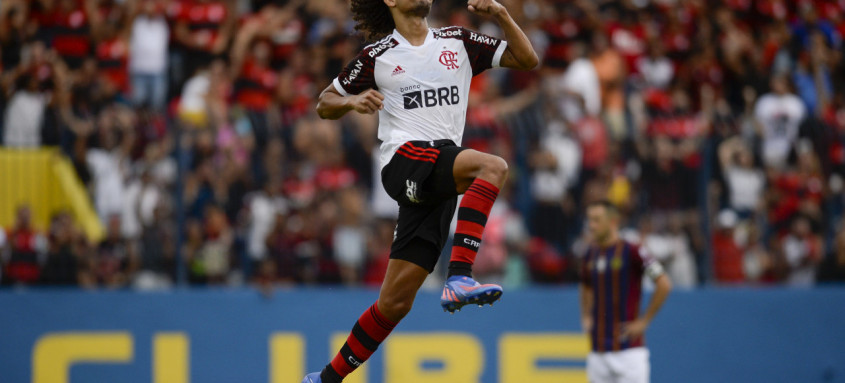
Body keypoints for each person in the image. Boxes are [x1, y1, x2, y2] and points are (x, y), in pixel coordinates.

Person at [304, 0, 538, 381]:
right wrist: (352, 100)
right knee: (492, 166)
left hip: (438, 175)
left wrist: (499, 15)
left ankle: (326, 378)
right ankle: (459, 275)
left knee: (394, 303)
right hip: (405, 160)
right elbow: (324, 103)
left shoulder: (457, 41)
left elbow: (525, 60)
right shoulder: (378, 56)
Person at [579, 201, 672, 383]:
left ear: (613, 221)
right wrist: (586, 316)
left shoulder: (633, 251)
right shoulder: (590, 254)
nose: (591, 225)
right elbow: (585, 285)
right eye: (590, 220)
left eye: (597, 220)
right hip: (597, 353)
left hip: (629, 353)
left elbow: (664, 283)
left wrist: (644, 321)